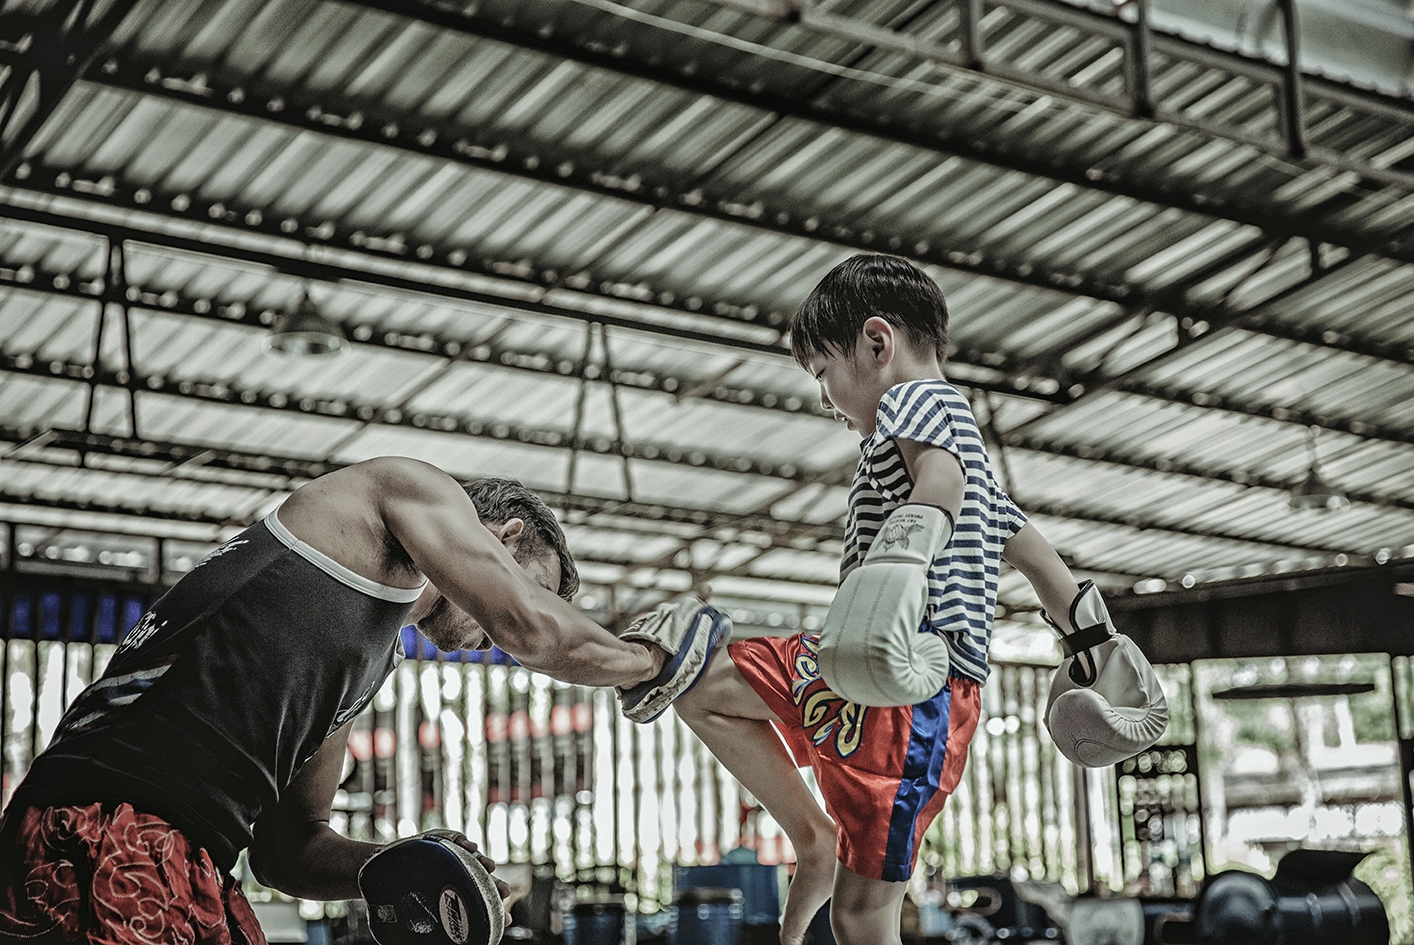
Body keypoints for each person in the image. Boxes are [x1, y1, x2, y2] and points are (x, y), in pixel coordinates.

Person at [0, 460, 667, 944]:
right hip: (102, 826)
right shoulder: (396, 491)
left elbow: (288, 847)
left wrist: (401, 864)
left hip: (189, 857)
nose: (497, 632)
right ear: (503, 538)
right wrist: (654, 663)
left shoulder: (367, 657)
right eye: (533, 589)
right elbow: (529, 628)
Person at [672, 254, 1112, 945]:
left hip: (911, 681)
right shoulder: (965, 452)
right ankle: (812, 838)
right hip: (862, 668)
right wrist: (1091, 639)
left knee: (862, 914)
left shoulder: (917, 404)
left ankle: (819, 844)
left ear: (878, 343)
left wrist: (903, 560)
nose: (825, 399)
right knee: (699, 686)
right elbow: (1028, 548)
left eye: (824, 375)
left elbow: (935, 478)